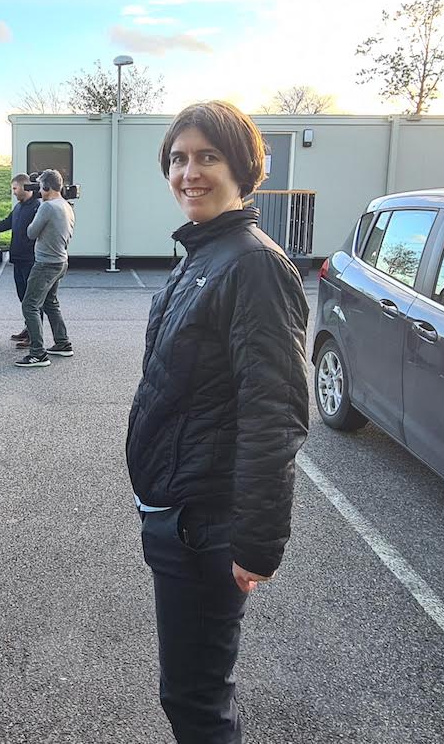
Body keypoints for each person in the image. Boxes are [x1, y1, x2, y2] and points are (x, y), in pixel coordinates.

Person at [125, 101, 311, 743]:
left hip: (207, 521)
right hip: (176, 510)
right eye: (178, 159)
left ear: (243, 167)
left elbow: (274, 410)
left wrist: (257, 540)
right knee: (191, 694)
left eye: (207, 156)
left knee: (196, 701)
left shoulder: (252, 263)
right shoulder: (204, 254)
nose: (189, 172)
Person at [16, 169, 74, 368]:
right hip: (60, 261)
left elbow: (31, 233)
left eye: (40, 187)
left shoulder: (47, 207)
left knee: (29, 305)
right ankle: (62, 343)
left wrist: (40, 206)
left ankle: (38, 354)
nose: (38, 191)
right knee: (51, 303)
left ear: (47, 187)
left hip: (45, 263)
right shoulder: (66, 205)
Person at [0, 174, 40, 343]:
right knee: (22, 297)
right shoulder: (19, 207)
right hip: (17, 259)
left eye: (15, 188)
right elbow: (5, 223)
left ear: (25, 187)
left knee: (31, 299)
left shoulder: (37, 207)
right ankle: (29, 328)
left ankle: (35, 336)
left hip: (30, 260)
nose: (13, 192)